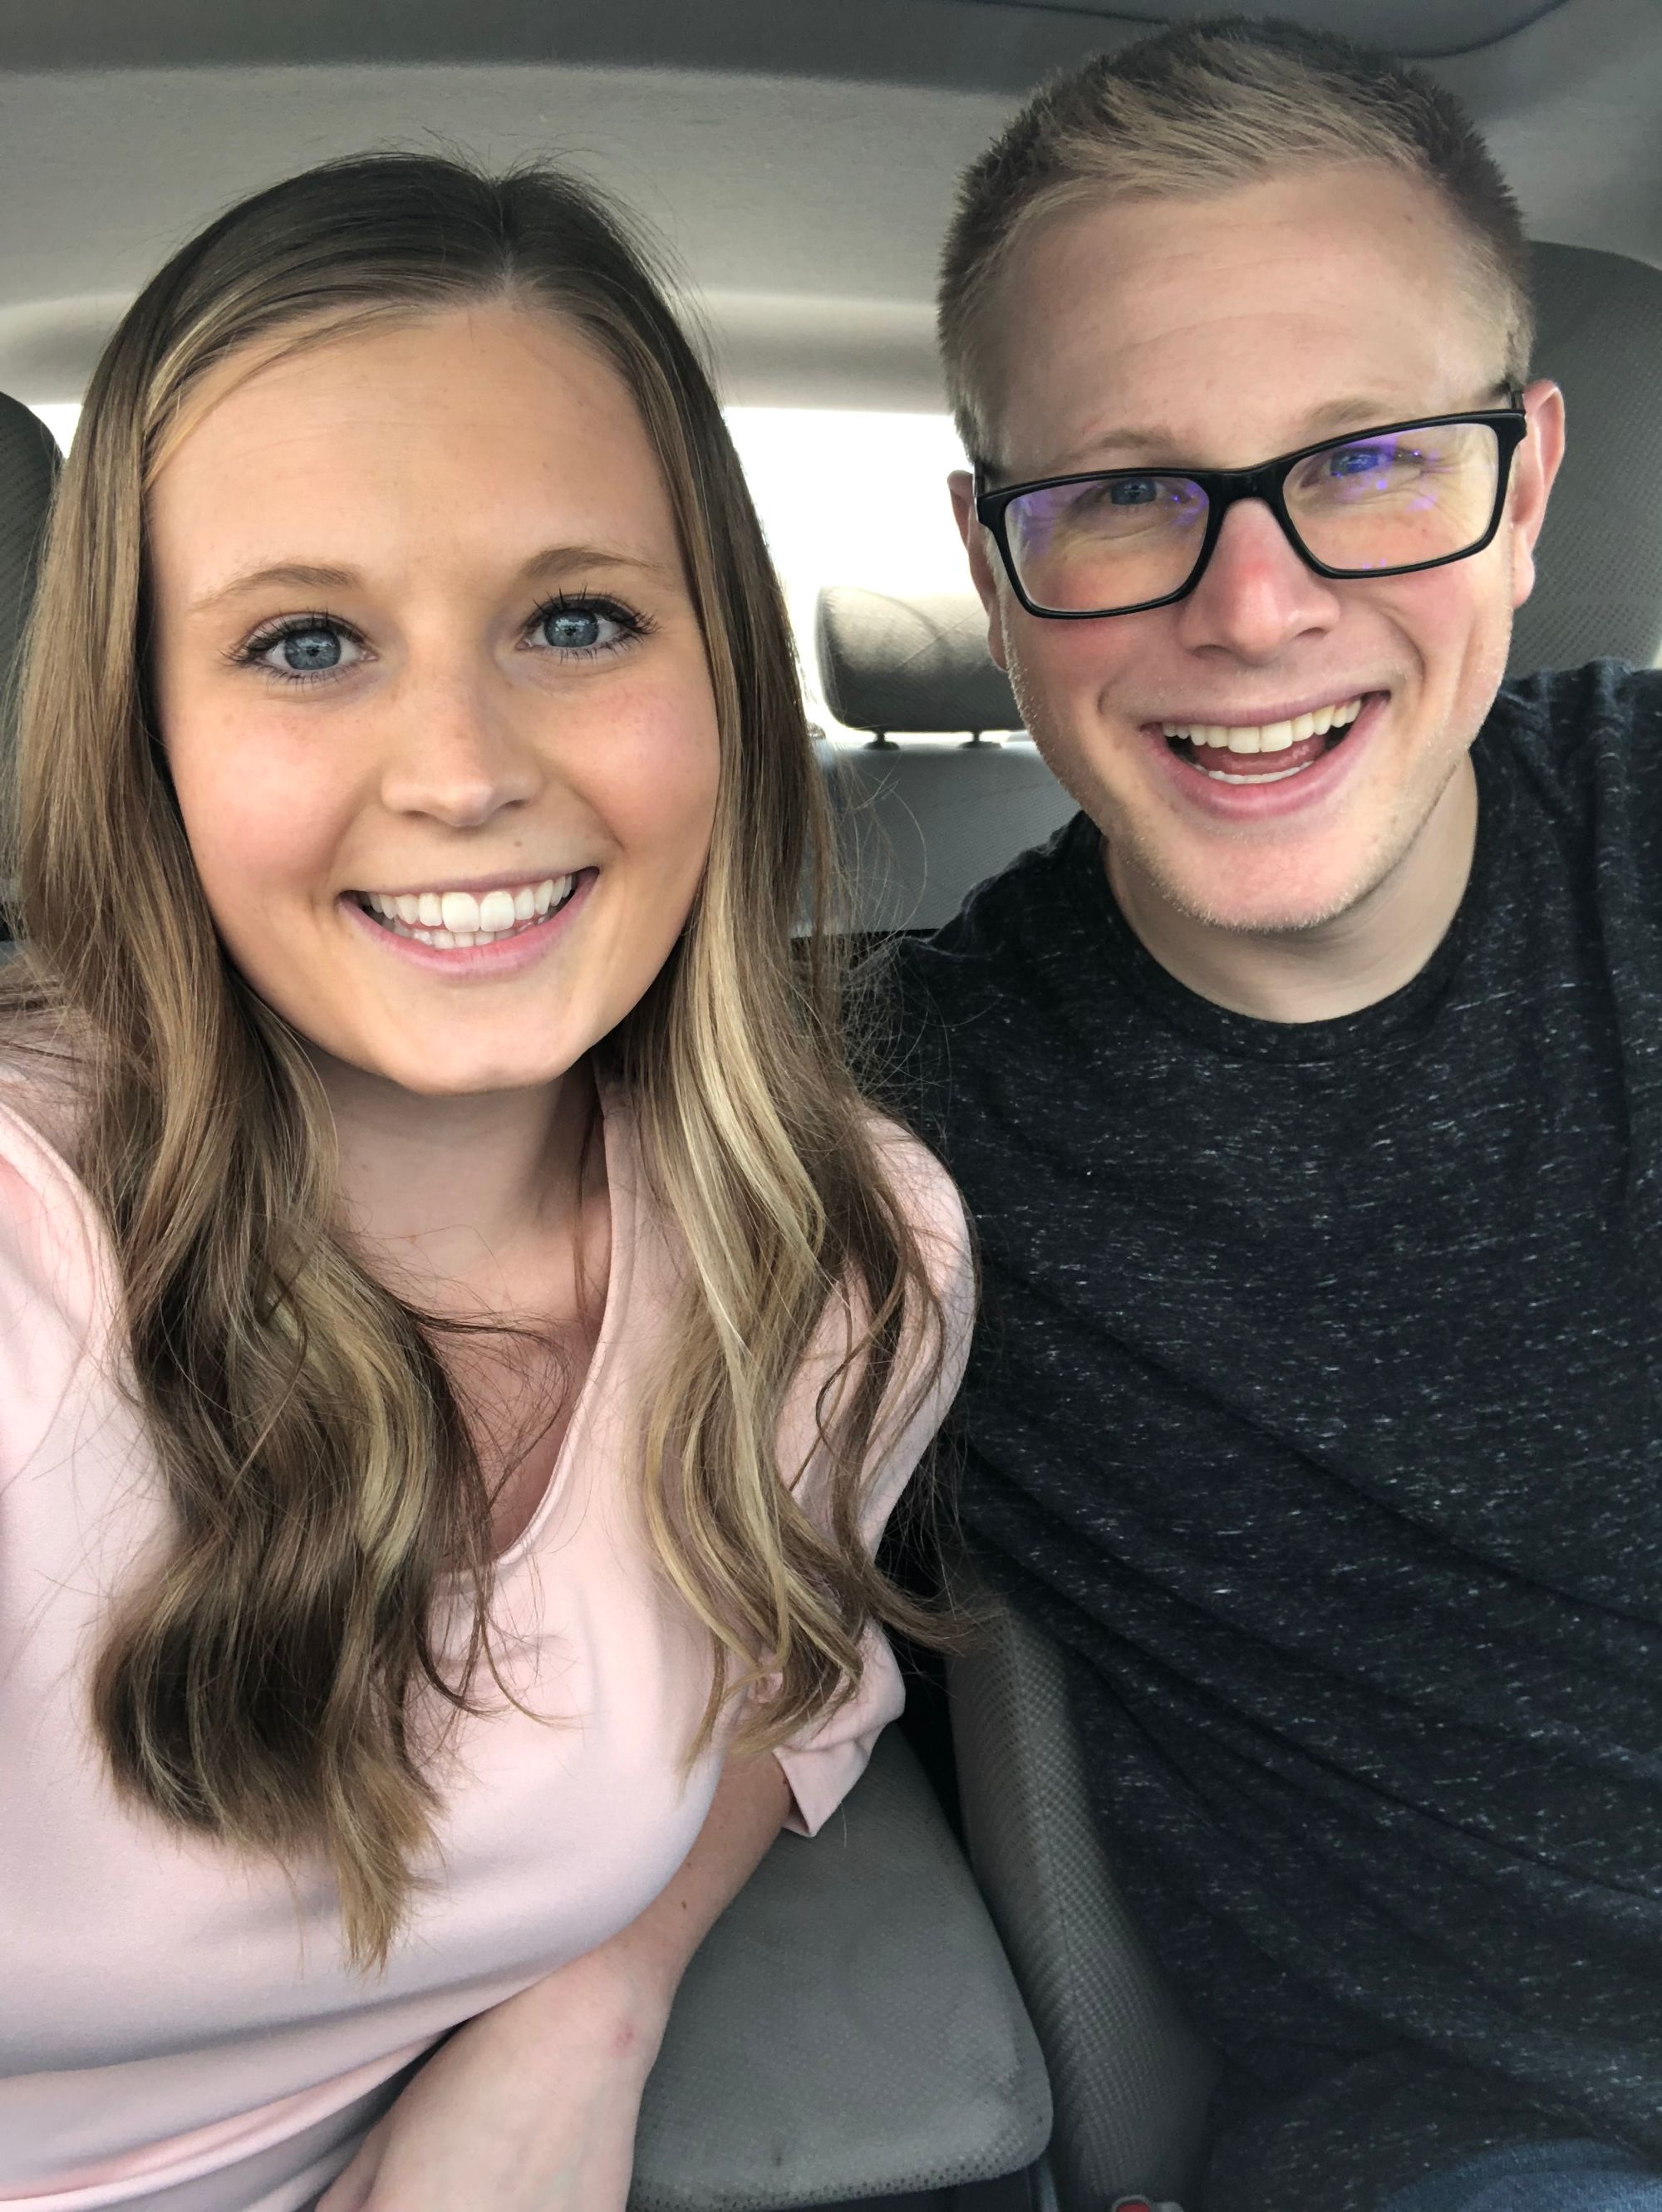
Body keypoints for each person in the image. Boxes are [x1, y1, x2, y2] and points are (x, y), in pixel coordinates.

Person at [0, 154, 971, 2212]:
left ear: (724, 682)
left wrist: (596, 2003)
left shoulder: (844, 1262)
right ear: (138, 734)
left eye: (576, 618)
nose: (461, 767)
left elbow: (780, 1684)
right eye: (304, 643)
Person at [881, 17, 1662, 2212]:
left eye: (1375, 460)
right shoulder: (896, 1123)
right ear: (991, 558)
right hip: (1502, 2141)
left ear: (1527, 486)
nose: (1255, 604)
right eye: (1122, 491)